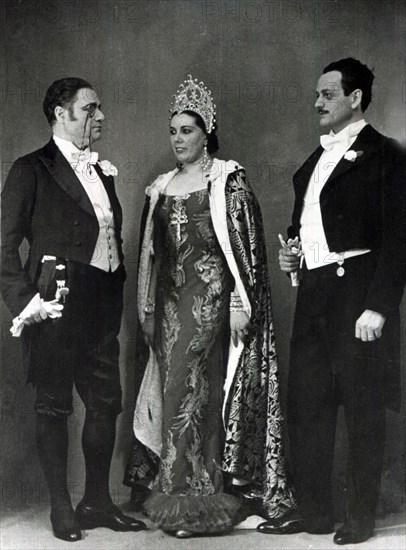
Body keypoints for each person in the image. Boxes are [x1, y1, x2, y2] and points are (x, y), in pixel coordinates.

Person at [124, 75, 295, 537]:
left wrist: (242, 303)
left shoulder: (228, 180)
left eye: (187, 130)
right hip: (168, 306)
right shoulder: (160, 187)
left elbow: (248, 251)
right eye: (174, 131)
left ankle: (195, 500)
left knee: (193, 389)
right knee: (176, 391)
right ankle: (180, 490)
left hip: (210, 302)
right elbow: (149, 257)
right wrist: (144, 309)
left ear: (207, 134)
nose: (178, 139)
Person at [257, 58, 406, 545]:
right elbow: (308, 232)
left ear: (355, 97)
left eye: (327, 93)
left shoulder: (386, 154)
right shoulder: (311, 164)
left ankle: (360, 517)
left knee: (363, 407)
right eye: (317, 94)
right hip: (316, 294)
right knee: (309, 404)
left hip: (358, 293)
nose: (317, 102)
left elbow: (399, 237)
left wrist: (379, 307)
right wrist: (292, 256)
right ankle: (316, 513)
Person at [1, 78, 147, 541]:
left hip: (101, 306)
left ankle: (97, 501)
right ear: (61, 114)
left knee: (106, 404)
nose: (99, 116)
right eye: (90, 108)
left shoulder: (102, 172)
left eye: (99, 107)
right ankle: (61, 507)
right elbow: (2, 246)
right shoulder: (32, 168)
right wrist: (28, 303)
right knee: (53, 406)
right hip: (55, 305)